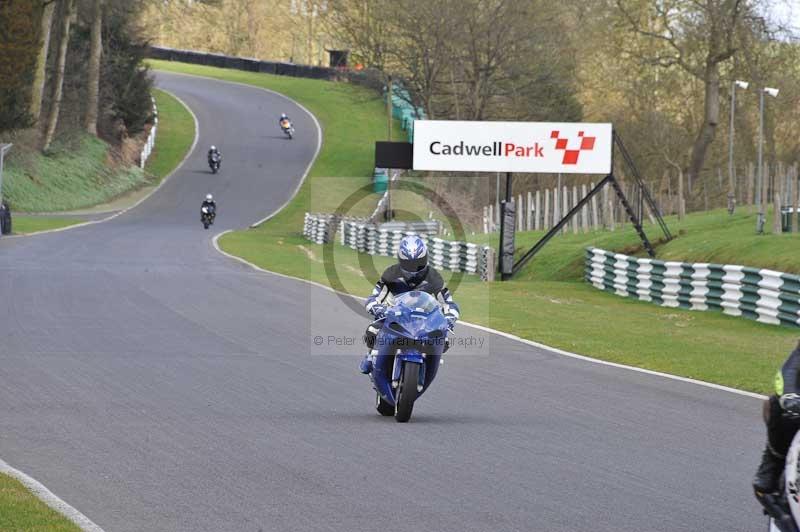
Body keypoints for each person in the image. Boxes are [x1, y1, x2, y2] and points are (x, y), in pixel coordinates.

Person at [359, 235, 460, 374]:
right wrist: (377, 308)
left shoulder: (434, 277)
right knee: (372, 331)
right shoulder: (391, 274)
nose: (413, 268)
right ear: (401, 261)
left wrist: (449, 319)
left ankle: (428, 368)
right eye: (409, 263)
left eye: (418, 262)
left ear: (425, 259)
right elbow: (375, 296)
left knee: (444, 341)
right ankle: (371, 355)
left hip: (423, 321)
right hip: (396, 316)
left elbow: (448, 303)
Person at [754, 340, 800, 532]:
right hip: (796, 410)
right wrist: (789, 396)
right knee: (777, 407)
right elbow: (788, 372)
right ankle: (768, 478)